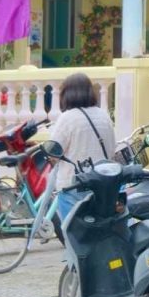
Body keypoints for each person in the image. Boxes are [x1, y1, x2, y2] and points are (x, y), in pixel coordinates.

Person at [48, 72, 116, 219]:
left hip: (74, 186)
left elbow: (53, 152)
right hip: (102, 183)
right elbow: (112, 149)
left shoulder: (67, 118)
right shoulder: (103, 115)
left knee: (75, 234)